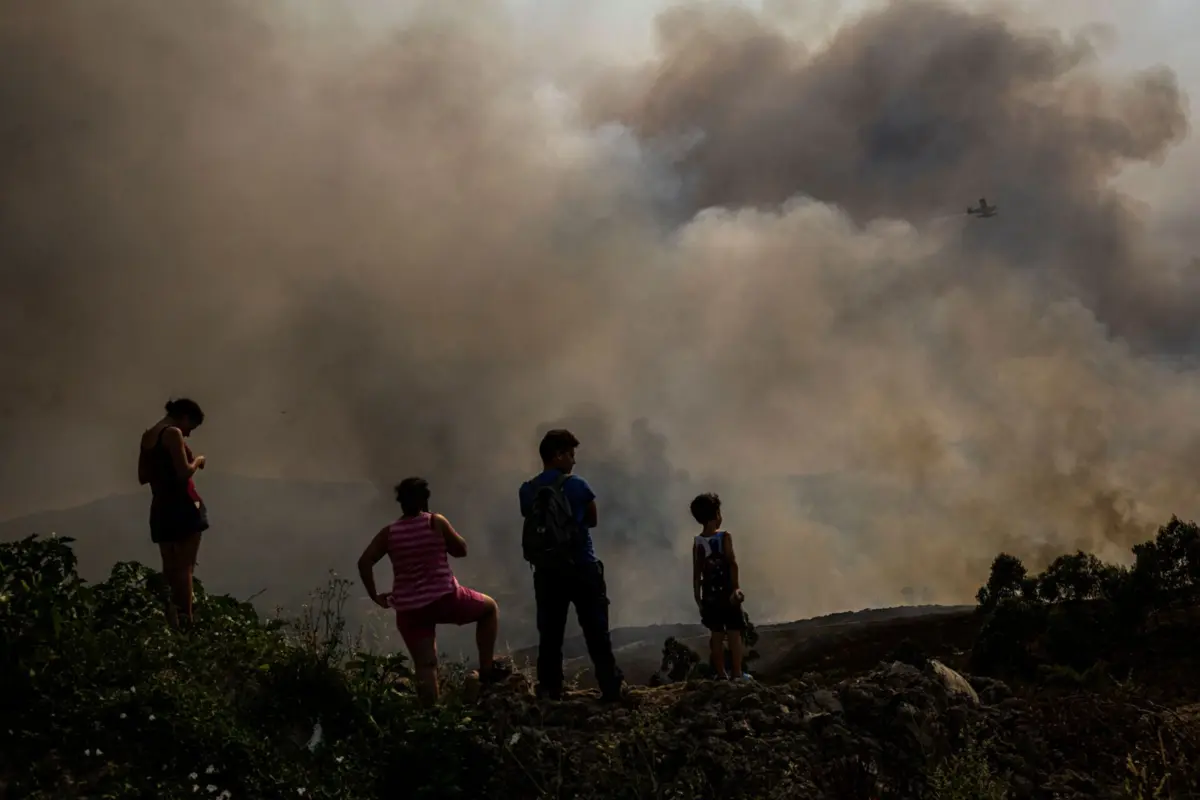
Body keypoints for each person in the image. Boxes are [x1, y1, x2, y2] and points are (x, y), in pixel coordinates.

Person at [357, 477, 505, 705]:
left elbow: (364, 562)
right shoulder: (435, 522)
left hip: (409, 610)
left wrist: (375, 596)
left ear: (401, 503)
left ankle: (431, 717)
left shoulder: (389, 533)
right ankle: (486, 672)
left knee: (426, 665)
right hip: (445, 599)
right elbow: (461, 550)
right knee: (489, 609)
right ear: (425, 500)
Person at [519, 428, 624, 702]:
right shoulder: (576, 485)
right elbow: (592, 519)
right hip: (581, 566)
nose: (574, 461)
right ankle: (611, 690)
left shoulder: (527, 490)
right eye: (571, 454)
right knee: (595, 630)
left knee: (550, 633)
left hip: (546, 571)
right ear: (558, 455)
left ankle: (551, 689)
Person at [138, 397, 209, 628]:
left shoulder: (148, 436)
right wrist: (198, 460)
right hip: (183, 505)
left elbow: (142, 476)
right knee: (185, 567)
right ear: (185, 417)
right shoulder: (172, 434)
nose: (187, 434)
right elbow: (183, 473)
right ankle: (187, 624)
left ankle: (171, 623)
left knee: (169, 569)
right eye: (191, 427)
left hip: (160, 508)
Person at [689, 492, 750, 680]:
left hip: (709, 596)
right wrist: (737, 588)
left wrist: (698, 597)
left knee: (716, 635)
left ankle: (721, 674)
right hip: (727, 594)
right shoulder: (724, 536)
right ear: (716, 514)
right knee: (734, 633)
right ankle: (738, 673)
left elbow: (697, 572)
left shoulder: (698, 542)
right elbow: (732, 562)